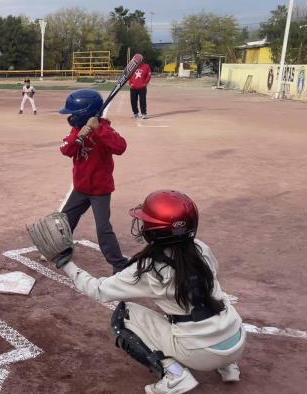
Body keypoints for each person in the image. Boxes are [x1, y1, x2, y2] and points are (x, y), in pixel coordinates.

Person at [58, 190, 245, 394]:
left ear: (155, 232)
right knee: (208, 301)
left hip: (201, 353)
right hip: (237, 340)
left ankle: (174, 376)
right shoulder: (201, 249)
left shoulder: (149, 268)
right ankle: (228, 366)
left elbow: (98, 290)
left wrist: (65, 263)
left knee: (124, 316)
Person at [58, 89, 128, 273]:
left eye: (74, 113)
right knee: (65, 221)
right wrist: (80, 134)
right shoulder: (76, 130)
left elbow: (120, 147)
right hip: (80, 188)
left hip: (100, 190)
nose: (71, 117)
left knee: (103, 228)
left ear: (85, 113)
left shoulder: (105, 130)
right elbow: (66, 150)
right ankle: (63, 249)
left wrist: (99, 129)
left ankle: (118, 263)